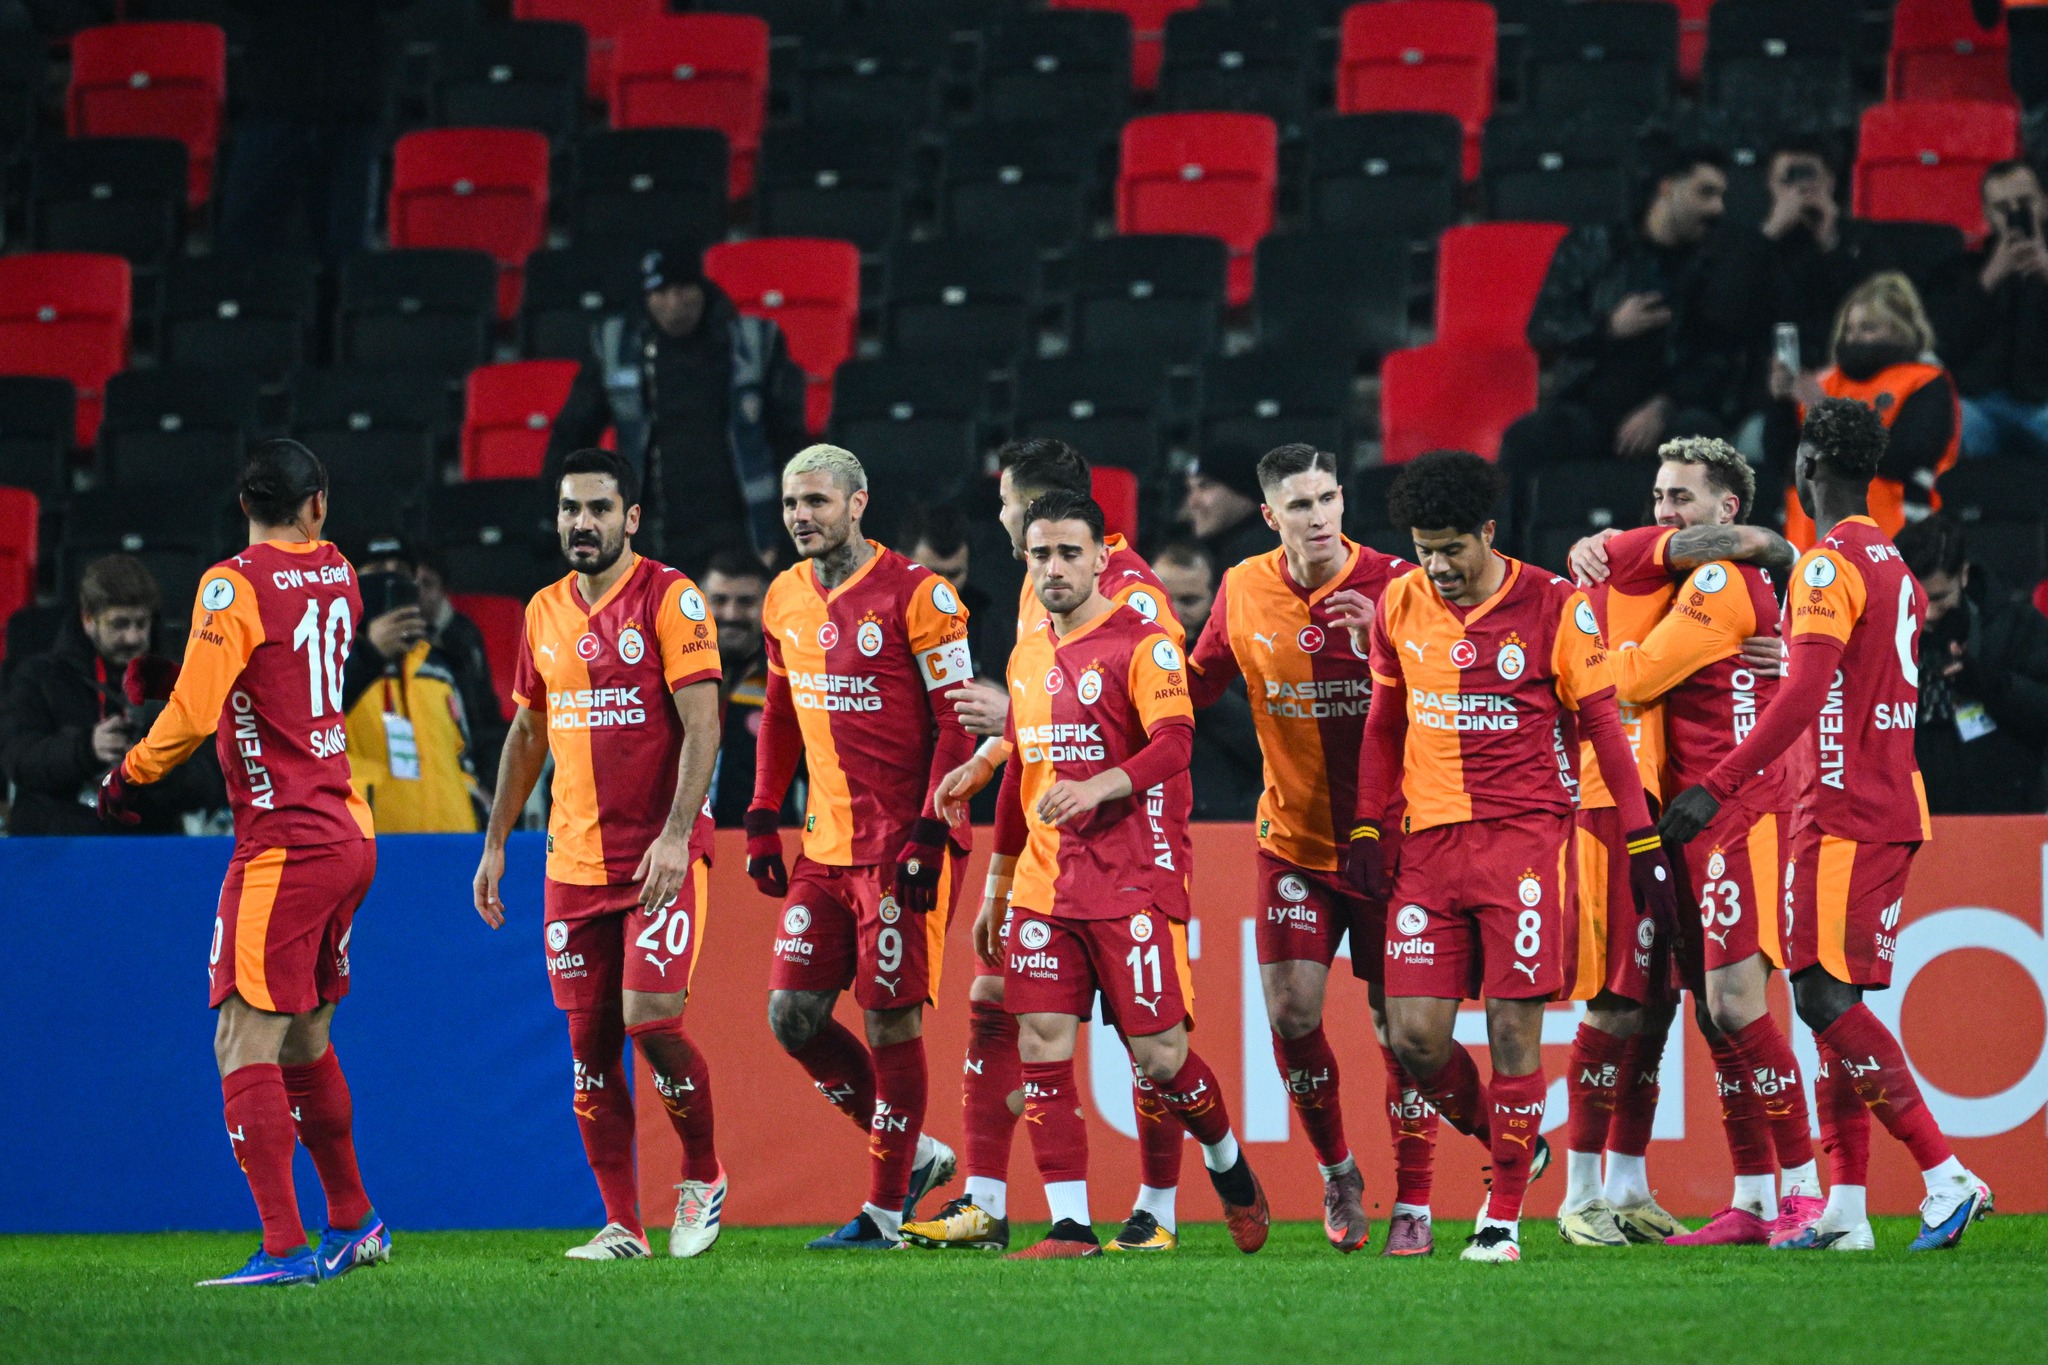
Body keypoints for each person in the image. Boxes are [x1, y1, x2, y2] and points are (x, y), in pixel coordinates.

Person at [1663, 399, 1994, 1253]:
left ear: (1808, 466)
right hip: (1884, 797)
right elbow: (1847, 679)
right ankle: (1845, 1209)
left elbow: (1806, 692)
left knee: (1819, 993)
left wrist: (1719, 784)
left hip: (1841, 809)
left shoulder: (1823, 566)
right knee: (1828, 998)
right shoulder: (1896, 565)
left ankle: (1945, 1174)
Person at [1347, 450, 1678, 1264]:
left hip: (1524, 845)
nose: (1438, 565)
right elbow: (1385, 725)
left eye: (1452, 547)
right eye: (1425, 548)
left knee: (1512, 1034)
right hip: (1427, 846)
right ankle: (1508, 1141)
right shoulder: (1400, 604)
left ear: (1488, 533)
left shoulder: (1554, 605)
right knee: (1414, 1038)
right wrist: (1366, 824)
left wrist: (1639, 840)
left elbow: (1602, 723)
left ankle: (1500, 1221)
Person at [96, 440, 387, 1286]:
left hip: (285, 840)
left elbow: (191, 711)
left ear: (242, 504)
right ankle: (355, 1218)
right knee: (302, 1037)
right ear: (318, 506)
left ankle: (286, 1248)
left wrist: (129, 774)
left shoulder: (233, 584)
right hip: (348, 831)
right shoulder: (340, 572)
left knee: (239, 1034)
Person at [960, 488, 1269, 1259]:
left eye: (1070, 552)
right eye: (1041, 555)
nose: (1055, 568)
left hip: (1127, 877)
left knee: (1160, 1058)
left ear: (1104, 556)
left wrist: (1098, 786)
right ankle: (1070, 1224)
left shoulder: (1145, 641)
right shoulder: (1026, 653)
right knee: (1040, 1041)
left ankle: (1229, 1165)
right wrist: (998, 887)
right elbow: (1024, 772)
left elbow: (1174, 741)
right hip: (1042, 882)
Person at [909, 437, 1191, 1254]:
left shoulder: (1133, 599)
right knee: (995, 1004)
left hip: (1140, 840)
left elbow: (1147, 732)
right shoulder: (1042, 588)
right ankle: (990, 1203)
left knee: (1156, 1042)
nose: (999, 515)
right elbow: (1044, 728)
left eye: (1006, 500)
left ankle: (1158, 1208)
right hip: (1049, 840)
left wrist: (1009, 742)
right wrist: (993, 761)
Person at [472, 448, 729, 1262]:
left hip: (658, 856)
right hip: (571, 866)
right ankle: (624, 1223)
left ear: (630, 519)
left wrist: (676, 834)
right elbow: (525, 732)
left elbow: (704, 726)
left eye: (597, 508)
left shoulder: (671, 597)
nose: (581, 523)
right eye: (569, 509)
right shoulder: (543, 610)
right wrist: (495, 842)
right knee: (588, 1053)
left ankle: (704, 1174)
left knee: (651, 1022)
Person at [1184, 444, 1441, 1255]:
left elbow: (1462, 695)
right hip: (1292, 842)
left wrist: (1394, 645)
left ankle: (1418, 1200)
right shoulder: (1242, 588)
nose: (1320, 516)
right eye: (1300, 505)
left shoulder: (1402, 584)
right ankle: (1338, 1170)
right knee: (1292, 1012)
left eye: (1328, 497)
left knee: (1403, 1032)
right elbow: (1193, 686)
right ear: (1270, 517)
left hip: (1395, 841)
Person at [1569, 438, 1826, 1249]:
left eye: (1682, 497)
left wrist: (1571, 662)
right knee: (1715, 1021)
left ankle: (1807, 1191)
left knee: (1734, 1007)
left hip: (1734, 818)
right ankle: (1753, 1197)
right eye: (1657, 496)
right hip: (1692, 818)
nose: (1665, 512)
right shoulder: (1691, 581)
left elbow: (1636, 681)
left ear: (1727, 511)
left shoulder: (1716, 577)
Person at [745, 444, 975, 1250]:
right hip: (824, 847)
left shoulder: (922, 596)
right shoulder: (782, 598)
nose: (801, 515)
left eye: (815, 501)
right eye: (789, 503)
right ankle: (914, 1153)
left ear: (857, 503)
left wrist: (930, 828)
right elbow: (778, 708)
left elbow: (958, 721)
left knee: (888, 1023)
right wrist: (763, 811)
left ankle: (883, 1211)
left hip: (900, 845)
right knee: (793, 1016)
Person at [544, 245, 809, 565]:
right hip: (652, 526)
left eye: (684, 289)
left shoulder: (753, 343)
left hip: (740, 526)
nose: (674, 303)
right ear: (645, 297)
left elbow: (789, 441)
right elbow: (573, 432)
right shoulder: (615, 346)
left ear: (702, 289)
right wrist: (555, 509)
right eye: (661, 291)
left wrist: (788, 528)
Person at [1505, 146, 1751, 479]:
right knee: (1526, 438)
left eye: (1721, 196)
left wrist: (1664, 405)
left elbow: (1719, 357)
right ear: (1667, 188)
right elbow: (1544, 327)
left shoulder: (1714, 263)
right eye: (1705, 193)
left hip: (1671, 410)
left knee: (1702, 441)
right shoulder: (1596, 245)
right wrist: (1608, 328)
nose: (1717, 208)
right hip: (1589, 406)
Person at [1, 554, 222, 835]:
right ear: (88, 619)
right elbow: (18, 760)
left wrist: (154, 765)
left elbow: (211, 781)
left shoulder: (180, 683)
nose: (132, 638)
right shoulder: (38, 677)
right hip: (57, 844)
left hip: (146, 845)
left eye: (140, 624)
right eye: (119, 624)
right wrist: (87, 749)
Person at [1769, 272, 1960, 543]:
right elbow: (1781, 456)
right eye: (1849, 329)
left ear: (1900, 330)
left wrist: (1825, 412)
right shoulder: (1826, 382)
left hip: (1894, 536)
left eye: (1868, 328)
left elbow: (1903, 456)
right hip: (1809, 541)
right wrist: (1780, 403)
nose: (1854, 338)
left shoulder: (1925, 381)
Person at [213, 1, 387, 268]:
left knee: (347, 246)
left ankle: (339, 306)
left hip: (351, 105)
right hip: (275, 99)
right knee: (242, 241)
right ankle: (246, 306)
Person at [1898, 512, 2048, 814]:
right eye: (1916, 599)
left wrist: (1992, 684)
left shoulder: (2016, 626)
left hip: (2003, 819)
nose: (1926, 614)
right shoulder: (1879, 634)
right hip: (1910, 822)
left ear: (1964, 575)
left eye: (1938, 599)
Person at [341, 541, 483, 834]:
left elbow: (465, 755)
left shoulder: (441, 667)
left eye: (402, 571)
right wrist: (369, 654)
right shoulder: (326, 660)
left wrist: (474, 802)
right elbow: (305, 728)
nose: (393, 578)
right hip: (369, 848)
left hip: (452, 843)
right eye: (378, 571)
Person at [1942, 161, 2048, 460]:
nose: (2015, 214)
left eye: (2025, 203)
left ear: (2044, 202)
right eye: (2002, 208)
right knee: (1953, 424)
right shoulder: (1963, 271)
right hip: (1981, 402)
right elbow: (1942, 344)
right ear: (1988, 215)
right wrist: (1988, 280)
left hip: (2043, 404)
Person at [699, 546, 790, 827]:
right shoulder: (669, 676)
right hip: (681, 851)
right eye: (719, 600)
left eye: (746, 602)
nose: (731, 614)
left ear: (768, 605)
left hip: (764, 846)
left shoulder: (790, 681)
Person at [413, 542, 509, 788]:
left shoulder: (464, 637)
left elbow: (481, 712)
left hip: (467, 745)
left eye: (428, 584)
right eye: (413, 584)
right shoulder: (390, 641)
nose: (419, 592)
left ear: (443, 589)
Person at [901, 501, 993, 678]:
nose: (942, 588)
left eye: (954, 574)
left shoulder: (986, 619)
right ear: (901, 561)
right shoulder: (873, 617)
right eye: (932, 574)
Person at [1181, 450, 1282, 571]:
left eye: (1205, 486)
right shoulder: (1210, 551)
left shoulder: (1266, 558)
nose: (1193, 502)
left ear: (1243, 491)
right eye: (1190, 489)